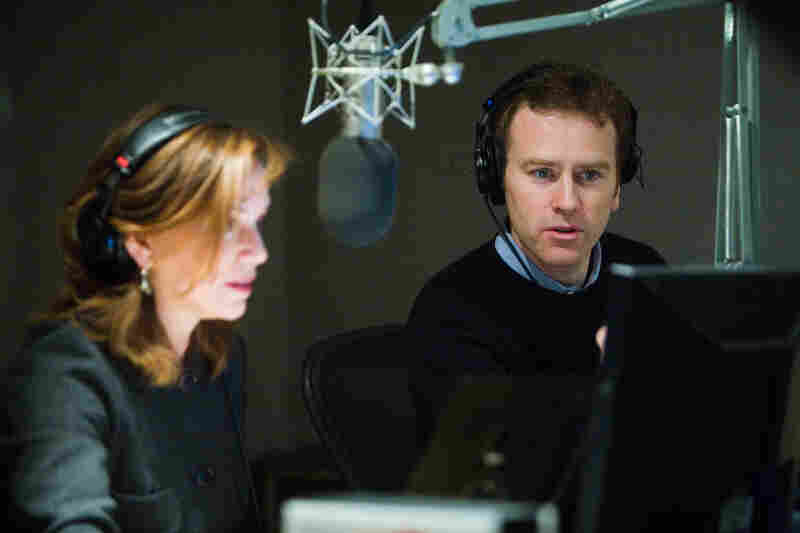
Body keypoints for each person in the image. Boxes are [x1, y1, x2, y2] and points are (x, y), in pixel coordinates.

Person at [1, 103, 290, 532]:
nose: (260, 251)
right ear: (141, 243)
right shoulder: (64, 372)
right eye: (229, 224)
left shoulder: (219, 356)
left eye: (257, 221)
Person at [404, 60, 666, 526]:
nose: (567, 201)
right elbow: (513, 493)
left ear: (618, 187)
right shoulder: (451, 311)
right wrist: (610, 391)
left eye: (589, 176)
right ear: (498, 180)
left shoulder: (643, 276)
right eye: (542, 173)